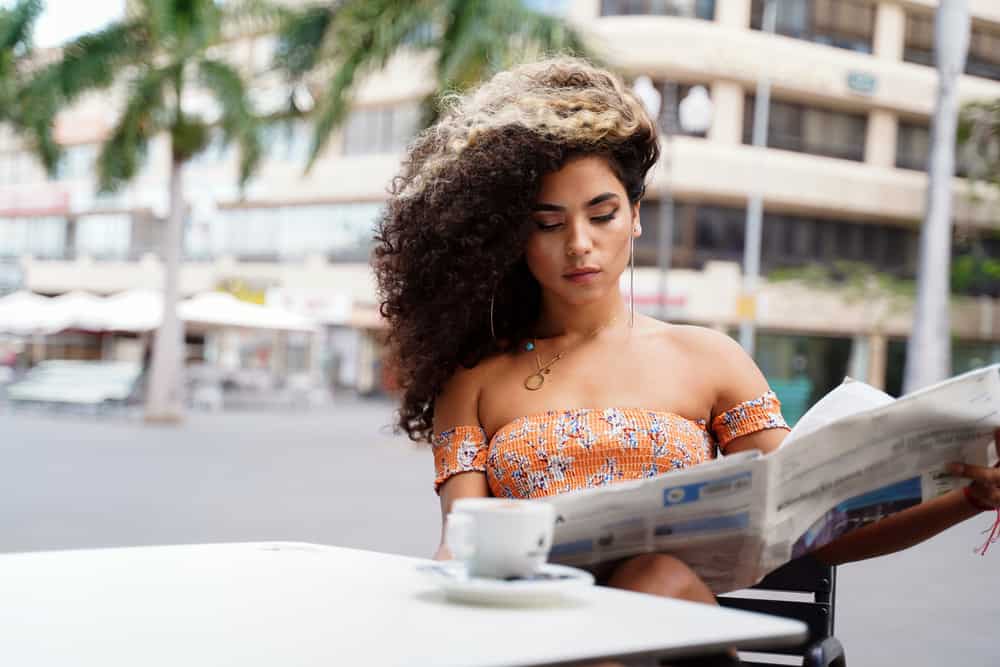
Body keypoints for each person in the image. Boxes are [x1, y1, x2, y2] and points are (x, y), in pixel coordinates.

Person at [372, 56, 1000, 608]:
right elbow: (460, 546)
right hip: (537, 633)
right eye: (548, 223)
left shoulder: (707, 358)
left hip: (675, 628)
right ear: (514, 239)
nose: (580, 244)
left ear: (635, 217)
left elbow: (815, 526)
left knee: (653, 574)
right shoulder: (476, 381)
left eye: (602, 214)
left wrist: (968, 501)